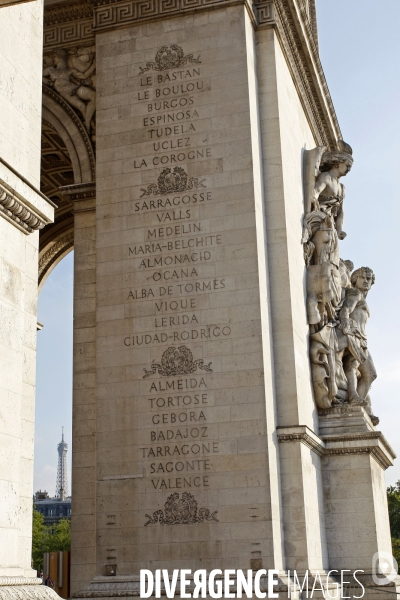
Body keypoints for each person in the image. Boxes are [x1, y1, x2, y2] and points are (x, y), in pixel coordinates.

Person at [336, 267, 378, 422]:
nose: (366, 281)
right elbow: (346, 310)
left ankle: (360, 405)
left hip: (362, 339)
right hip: (352, 335)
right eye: (363, 278)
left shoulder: (363, 298)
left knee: (370, 374)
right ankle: (354, 399)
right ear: (354, 279)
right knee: (352, 365)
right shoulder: (355, 293)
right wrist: (347, 327)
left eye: (369, 279)